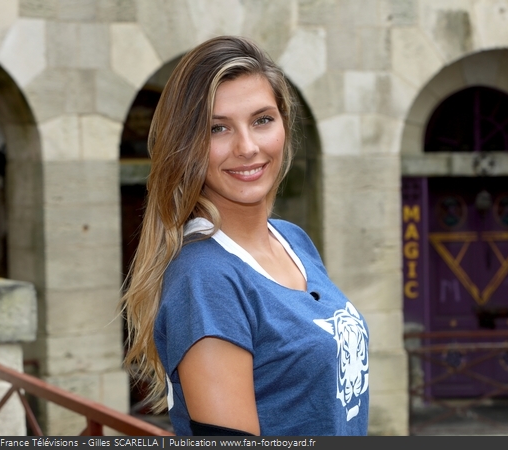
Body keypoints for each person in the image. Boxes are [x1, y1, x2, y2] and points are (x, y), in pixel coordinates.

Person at [122, 35, 369, 436]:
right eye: (218, 128)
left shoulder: (293, 240)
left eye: (262, 120)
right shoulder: (206, 278)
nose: (247, 146)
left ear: (284, 125)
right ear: (186, 146)